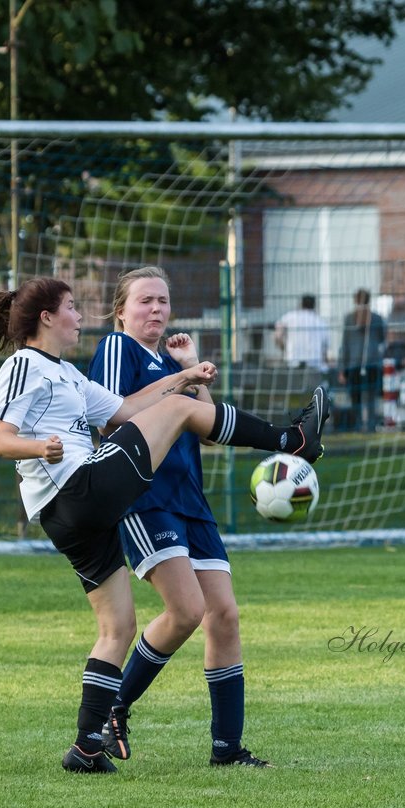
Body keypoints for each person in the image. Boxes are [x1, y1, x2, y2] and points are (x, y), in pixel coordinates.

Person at [0, 277, 330, 774]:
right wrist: (38, 447)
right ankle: (292, 439)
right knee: (176, 414)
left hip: (77, 516)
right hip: (78, 490)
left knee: (118, 628)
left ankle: (86, 748)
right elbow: (3, 439)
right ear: (46, 318)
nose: (79, 316)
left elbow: (129, 410)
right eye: (70, 307)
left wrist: (183, 375)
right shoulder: (26, 364)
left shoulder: (67, 375)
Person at [88, 267, 269, 768]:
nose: (156, 310)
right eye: (145, 301)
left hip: (191, 500)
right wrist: (179, 380)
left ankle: (227, 749)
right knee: (187, 610)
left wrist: (190, 368)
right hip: (146, 497)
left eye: (163, 301)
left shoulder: (173, 363)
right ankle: (113, 708)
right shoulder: (116, 349)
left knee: (224, 615)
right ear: (121, 309)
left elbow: (210, 432)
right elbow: (109, 416)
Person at [336, 288, 386, 432]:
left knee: (360, 397)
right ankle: (366, 425)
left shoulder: (370, 318)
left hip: (360, 364)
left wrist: (341, 368)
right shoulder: (371, 318)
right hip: (365, 364)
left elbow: (344, 345)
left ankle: (363, 425)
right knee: (365, 397)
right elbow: (382, 339)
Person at [273, 294, 330, 393]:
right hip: (314, 365)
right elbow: (324, 349)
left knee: (294, 395)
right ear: (314, 305)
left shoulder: (289, 317)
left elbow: (278, 336)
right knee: (312, 398)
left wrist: (284, 348)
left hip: (293, 362)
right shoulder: (320, 322)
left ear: (300, 304)